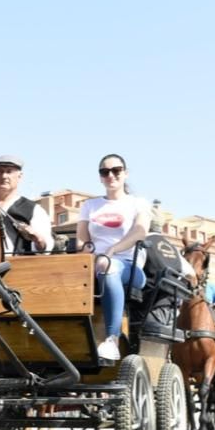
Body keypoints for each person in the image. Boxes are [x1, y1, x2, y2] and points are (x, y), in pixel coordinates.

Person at [76, 153, 150, 364]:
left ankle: (112, 339)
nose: (111, 175)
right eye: (105, 172)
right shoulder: (90, 206)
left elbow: (139, 232)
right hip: (95, 263)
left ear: (125, 174)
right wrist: (88, 257)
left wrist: (111, 251)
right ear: (100, 177)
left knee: (108, 267)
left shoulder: (137, 203)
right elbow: (82, 242)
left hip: (129, 266)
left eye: (116, 170)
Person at [0, 155, 53, 255]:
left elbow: (45, 249)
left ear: (20, 176)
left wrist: (37, 239)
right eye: (0, 171)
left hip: (19, 267)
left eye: (9, 171)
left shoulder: (35, 210)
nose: (4, 176)